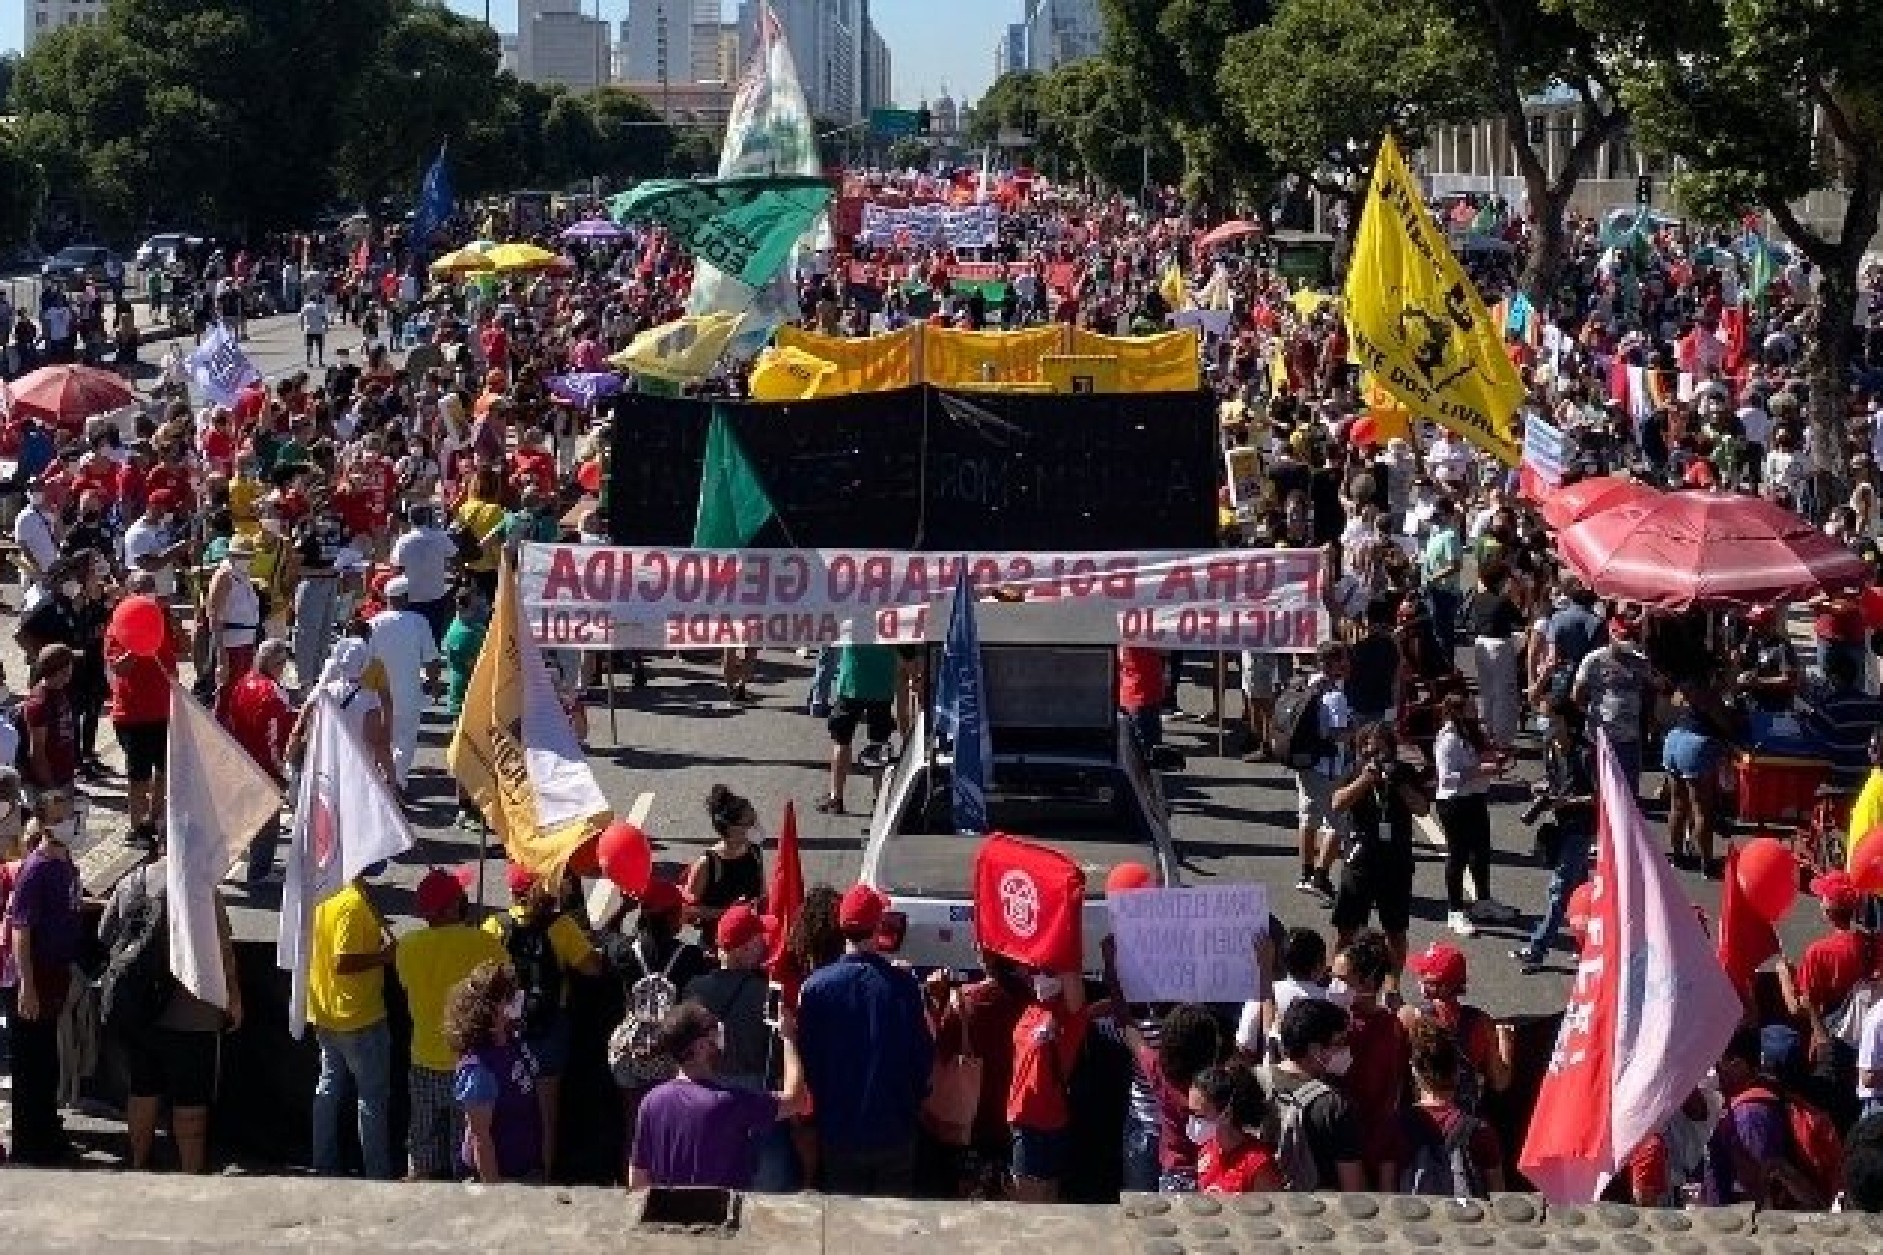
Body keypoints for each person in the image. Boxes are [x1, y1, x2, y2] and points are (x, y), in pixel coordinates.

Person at [98, 845, 241, 1173]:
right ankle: (190, 1173)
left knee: (143, 1091)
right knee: (191, 1102)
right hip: (193, 1012)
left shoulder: (132, 882)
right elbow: (223, 951)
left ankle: (138, 1163)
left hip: (139, 1011)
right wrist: (234, 999)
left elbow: (106, 935)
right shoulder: (201, 888)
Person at [796, 884, 934, 1194]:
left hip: (839, 1130)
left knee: (844, 1223)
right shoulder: (903, 986)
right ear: (877, 927)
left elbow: (808, 1061)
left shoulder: (816, 987)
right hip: (894, 1128)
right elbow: (921, 1057)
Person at [483, 865, 605, 1180]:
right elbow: (592, 968)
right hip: (550, 1027)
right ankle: (547, 1176)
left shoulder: (495, 926)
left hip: (507, 1031)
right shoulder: (560, 926)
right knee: (547, 1113)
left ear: (512, 894)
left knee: (505, 1108)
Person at [395, 867, 506, 1181]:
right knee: (467, 1155)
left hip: (423, 1060)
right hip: (469, 1063)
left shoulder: (408, 946)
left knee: (422, 1154)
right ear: (454, 905)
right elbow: (507, 989)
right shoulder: (485, 943)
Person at [629, 999, 810, 1189]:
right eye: (716, 1037)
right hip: (720, 1216)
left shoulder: (651, 1100)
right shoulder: (729, 1103)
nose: (721, 1043)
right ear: (700, 1047)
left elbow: (638, 1179)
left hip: (665, 1216)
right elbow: (797, 1100)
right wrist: (788, 1038)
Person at [308, 869, 396, 1180]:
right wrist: (384, 958)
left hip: (325, 1012)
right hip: (358, 1015)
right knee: (371, 1097)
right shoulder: (353, 903)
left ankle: (324, 1164)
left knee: (329, 1089)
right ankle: (377, 1172)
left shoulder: (323, 896)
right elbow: (342, 960)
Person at [5, 813, 83, 1164]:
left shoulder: (65, 863)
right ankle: (30, 1141)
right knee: (31, 1064)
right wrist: (28, 987)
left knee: (47, 1061)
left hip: (56, 972)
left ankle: (46, 1129)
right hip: (37, 975)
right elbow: (21, 928)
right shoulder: (35, 869)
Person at [1329, 722, 1429, 967]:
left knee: (1395, 931)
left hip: (1396, 861)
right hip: (1361, 858)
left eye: (1378, 751)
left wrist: (1400, 784)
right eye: (1366, 751)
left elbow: (1422, 808)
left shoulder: (1404, 772)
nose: (1372, 756)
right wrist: (1364, 781)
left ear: (1391, 750)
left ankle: (1391, 984)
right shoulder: (1355, 771)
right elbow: (1337, 803)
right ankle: (1337, 979)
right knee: (1347, 928)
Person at [1512, 697, 1598, 972]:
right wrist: (1541, 791)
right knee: (1581, 889)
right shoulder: (1551, 748)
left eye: (1548, 716)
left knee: (1559, 887)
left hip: (1580, 826)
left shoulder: (1586, 754)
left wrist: (1569, 802)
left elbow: (1601, 796)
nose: (1544, 722)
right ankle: (1588, 943)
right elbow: (1554, 780)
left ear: (1564, 721)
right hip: (1561, 823)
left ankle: (1537, 949)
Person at [446, 960, 545, 1183]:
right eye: (509, 998)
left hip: (525, 1167)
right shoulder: (479, 1070)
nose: (517, 1001)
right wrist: (496, 1197)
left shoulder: (512, 1040)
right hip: (498, 1178)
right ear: (489, 1010)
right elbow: (480, 1139)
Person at [1259, 998, 1366, 1192]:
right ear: (1315, 1050)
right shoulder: (1333, 1106)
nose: (1344, 1050)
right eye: (1338, 1043)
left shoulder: (1253, 1081)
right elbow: (1353, 1188)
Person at [105, 572, 180, 844]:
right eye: (141, 588)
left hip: (163, 709)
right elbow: (118, 668)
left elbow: (179, 653)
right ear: (129, 592)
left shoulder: (162, 617)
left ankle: (155, 818)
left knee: (163, 771)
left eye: (150, 586)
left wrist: (170, 625)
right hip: (133, 714)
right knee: (139, 776)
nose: (147, 592)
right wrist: (139, 644)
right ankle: (136, 826)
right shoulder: (119, 625)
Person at [1777, 870, 1874, 1079]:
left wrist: (1784, 977)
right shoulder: (1873, 944)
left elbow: (1798, 1008)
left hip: (1834, 1043)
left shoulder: (1820, 952)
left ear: (1828, 910)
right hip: (1867, 1038)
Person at [1007, 963, 1091, 1202]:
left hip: (1053, 1120)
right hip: (1024, 1119)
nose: (1040, 977)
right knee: (1027, 1204)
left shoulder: (1068, 1014)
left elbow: (1074, 985)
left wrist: (1061, 951)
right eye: (1036, 972)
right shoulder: (1031, 1010)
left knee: (1049, 1208)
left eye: (1049, 972)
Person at [1399, 943, 1514, 1115]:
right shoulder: (1481, 1022)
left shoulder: (1410, 1016)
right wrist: (1505, 1041)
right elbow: (1501, 1082)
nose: (1419, 979)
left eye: (1425, 977)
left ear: (1444, 987)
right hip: (1462, 1119)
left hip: (1420, 1114)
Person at [1432, 691, 1511, 934]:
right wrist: (1479, 770)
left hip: (1475, 798)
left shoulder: (1471, 734)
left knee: (1481, 851)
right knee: (1458, 855)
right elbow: (1447, 778)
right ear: (1457, 713)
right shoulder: (1448, 739)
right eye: (1471, 710)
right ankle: (1455, 910)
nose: (1476, 714)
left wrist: (1496, 758)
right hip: (1454, 803)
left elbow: (1483, 757)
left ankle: (1483, 901)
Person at [1400, 1017, 1505, 1196]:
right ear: (1457, 1072)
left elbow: (1385, 1195)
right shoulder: (1480, 1131)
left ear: (1414, 1071)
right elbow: (1499, 1194)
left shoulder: (1397, 1127)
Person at [1292, 641, 1353, 902]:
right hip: (1328, 768)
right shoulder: (1335, 696)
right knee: (1337, 824)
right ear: (1336, 663)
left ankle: (1305, 874)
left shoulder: (1306, 683)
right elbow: (1336, 734)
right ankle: (1321, 878)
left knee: (1308, 818)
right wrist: (1355, 732)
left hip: (1304, 763)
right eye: (1344, 659)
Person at [365, 576, 439, 793]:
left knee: (380, 739)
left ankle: (379, 780)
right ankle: (396, 782)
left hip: (378, 694)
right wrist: (433, 684)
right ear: (406, 598)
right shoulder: (418, 622)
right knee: (404, 741)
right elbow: (431, 660)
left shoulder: (374, 623)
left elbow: (365, 660)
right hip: (409, 693)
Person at [1572, 614, 1656, 796]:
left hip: (1631, 736)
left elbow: (1653, 688)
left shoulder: (1640, 660)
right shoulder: (1593, 659)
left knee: (1629, 792)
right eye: (1622, 636)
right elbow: (1577, 693)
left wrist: (1650, 720)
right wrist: (1590, 713)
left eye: (1629, 636)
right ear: (1611, 634)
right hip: (1601, 736)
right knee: (1603, 791)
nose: (1626, 641)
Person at [684, 785, 765, 940]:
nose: (755, 826)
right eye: (749, 823)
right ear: (731, 828)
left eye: (755, 819)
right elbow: (688, 911)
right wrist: (730, 913)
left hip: (751, 940)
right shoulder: (708, 864)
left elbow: (761, 894)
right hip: (717, 943)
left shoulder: (755, 852)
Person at [1189, 1062, 1282, 1194]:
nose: (1193, 1120)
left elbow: (1275, 1211)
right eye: (1191, 1113)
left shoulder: (1258, 1165)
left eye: (1199, 1115)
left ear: (1226, 1114)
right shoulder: (1206, 1151)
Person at [205, 535, 263, 720]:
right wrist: (221, 654)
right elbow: (214, 615)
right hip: (231, 643)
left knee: (241, 690)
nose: (247, 560)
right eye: (242, 556)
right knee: (227, 691)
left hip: (246, 640)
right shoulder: (224, 575)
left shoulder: (243, 576)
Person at [21, 644, 80, 808]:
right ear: (60, 670)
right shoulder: (39, 704)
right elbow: (37, 751)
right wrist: (52, 790)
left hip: (64, 775)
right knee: (53, 831)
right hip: (50, 783)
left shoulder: (59, 691)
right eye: (70, 665)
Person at [389, 505, 456, 644]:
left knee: (413, 638)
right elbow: (456, 557)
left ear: (410, 520)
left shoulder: (403, 541)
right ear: (428, 518)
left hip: (411, 597)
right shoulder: (440, 537)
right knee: (434, 637)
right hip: (436, 595)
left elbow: (395, 569)